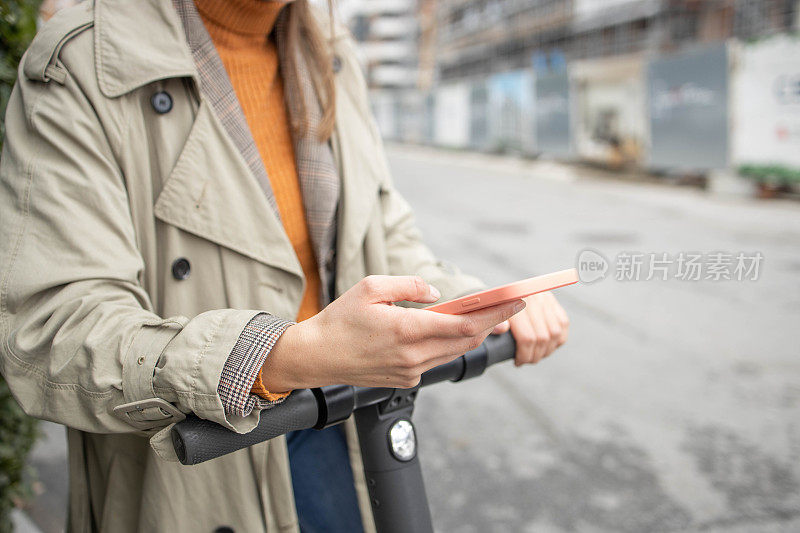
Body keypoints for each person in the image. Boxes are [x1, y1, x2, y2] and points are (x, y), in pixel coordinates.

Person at [0, 0, 570, 531]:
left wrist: (481, 300)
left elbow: (382, 232)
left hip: (339, 427)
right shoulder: (83, 62)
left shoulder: (332, 50)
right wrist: (277, 357)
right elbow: (53, 328)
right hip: (193, 457)